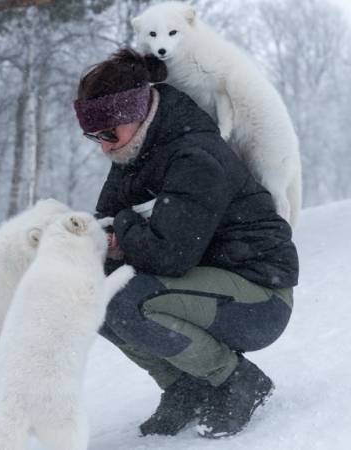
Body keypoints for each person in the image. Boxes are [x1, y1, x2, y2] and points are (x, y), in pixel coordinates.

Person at [73, 48, 299, 439]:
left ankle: (236, 381)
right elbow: (106, 220)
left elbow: (168, 255)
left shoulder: (195, 154)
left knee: (128, 300)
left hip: (259, 298)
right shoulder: (135, 148)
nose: (104, 146)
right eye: (94, 136)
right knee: (87, 291)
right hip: (202, 285)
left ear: (137, 111)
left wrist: (123, 226)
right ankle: (184, 386)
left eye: (109, 133)